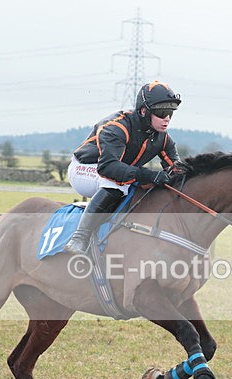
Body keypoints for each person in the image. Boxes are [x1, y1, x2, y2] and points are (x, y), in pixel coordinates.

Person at [64, 81, 182, 256]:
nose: (167, 118)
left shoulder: (162, 138)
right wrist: (147, 175)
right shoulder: (117, 127)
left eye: (170, 113)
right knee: (118, 184)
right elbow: (108, 168)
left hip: (116, 170)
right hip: (86, 168)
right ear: (144, 111)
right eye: (162, 112)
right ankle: (78, 239)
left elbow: (177, 170)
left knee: (145, 188)